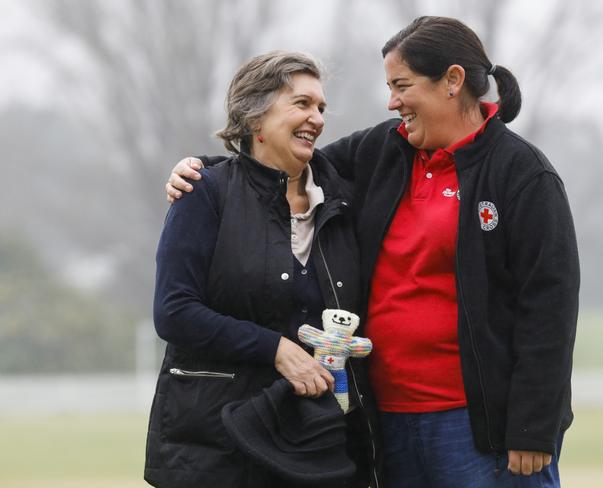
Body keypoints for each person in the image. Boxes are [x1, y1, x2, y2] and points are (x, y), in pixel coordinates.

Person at [166, 17, 579, 488]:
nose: (392, 101)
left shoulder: (522, 174)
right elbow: (282, 161)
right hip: (389, 420)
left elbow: (551, 307)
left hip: (480, 428)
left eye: (402, 86)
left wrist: (533, 425)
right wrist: (205, 172)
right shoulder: (382, 150)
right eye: (390, 87)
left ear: (452, 81)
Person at [146, 51, 380, 488]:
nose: (318, 118)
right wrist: (276, 349)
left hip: (318, 446)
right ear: (255, 118)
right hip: (216, 449)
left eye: (321, 108)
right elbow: (174, 311)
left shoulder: (342, 199)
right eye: (302, 103)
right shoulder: (204, 192)